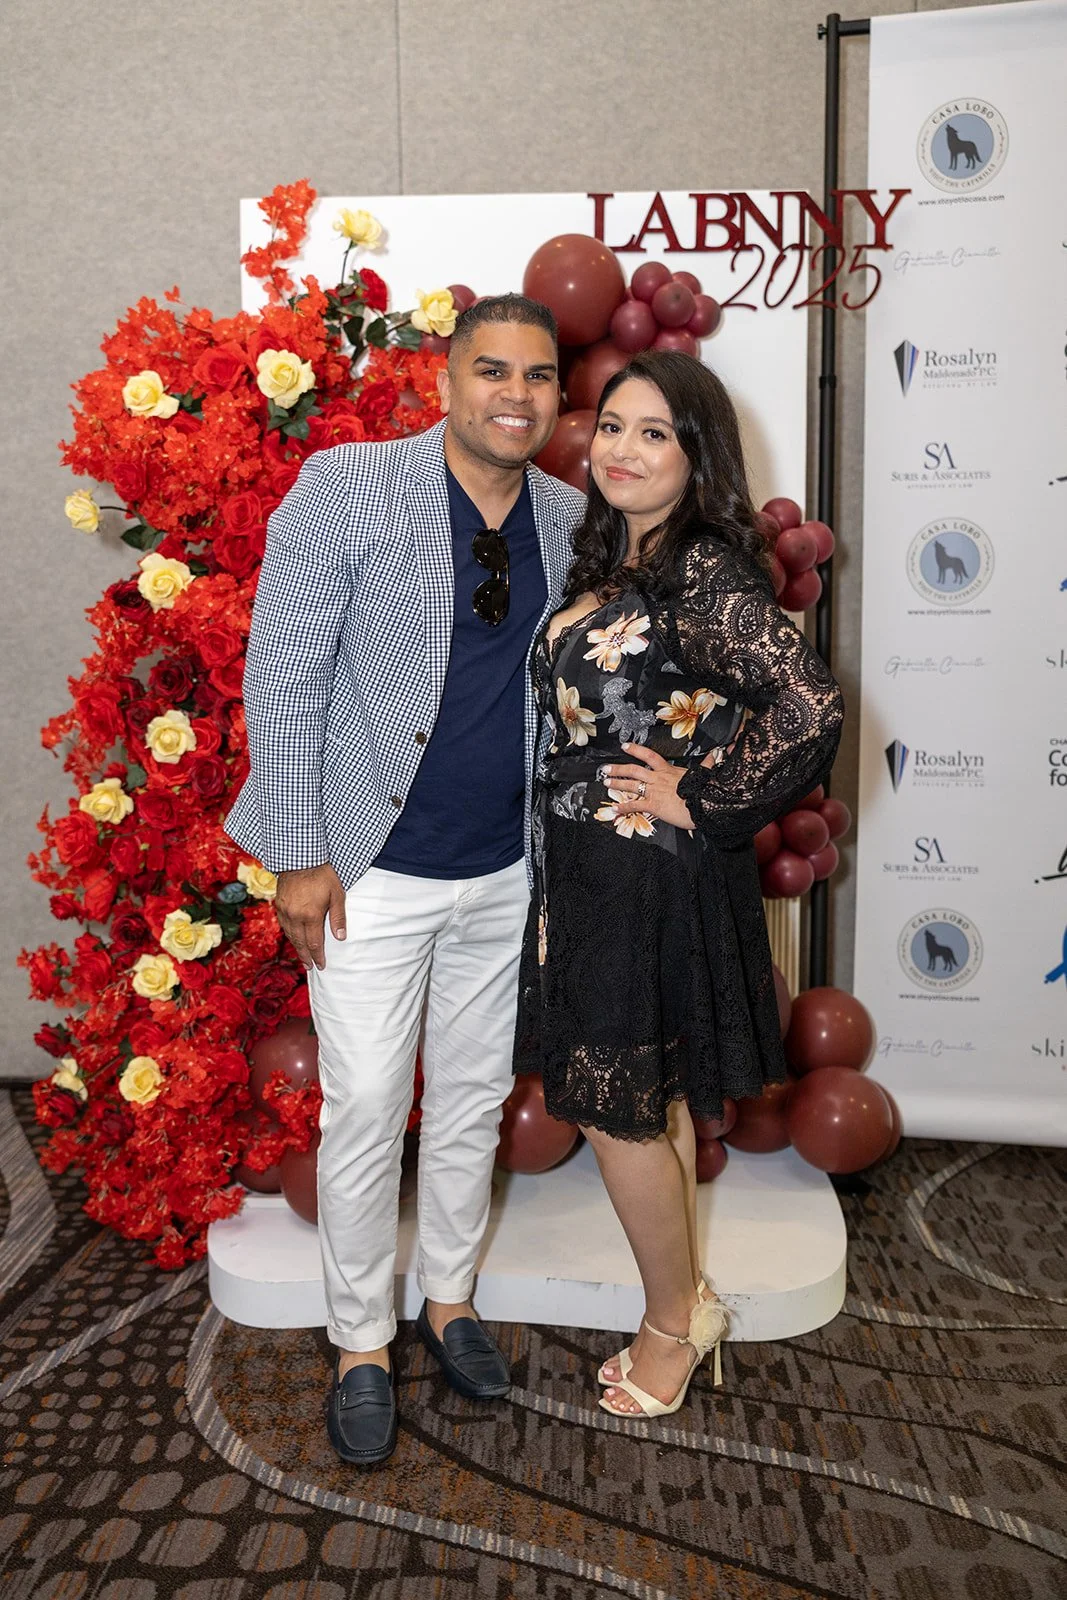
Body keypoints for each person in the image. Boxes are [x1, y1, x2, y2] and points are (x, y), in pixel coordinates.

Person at [225, 294, 583, 1467]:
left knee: (472, 1097)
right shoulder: (348, 487)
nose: (515, 395)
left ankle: (448, 1299)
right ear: (445, 381)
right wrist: (298, 855)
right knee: (370, 1103)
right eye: (492, 369)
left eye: (538, 375)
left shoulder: (571, 517)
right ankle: (359, 1342)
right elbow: (283, 676)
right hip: (366, 869)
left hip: (506, 866)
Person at [514, 350, 844, 1420]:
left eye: (653, 432)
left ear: (697, 455)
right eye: (611, 425)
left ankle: (670, 1321)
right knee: (636, 1102)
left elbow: (808, 707)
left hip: (641, 876)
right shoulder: (618, 560)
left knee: (615, 1110)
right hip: (586, 872)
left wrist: (700, 799)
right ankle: (681, 1298)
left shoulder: (700, 567)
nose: (620, 448)